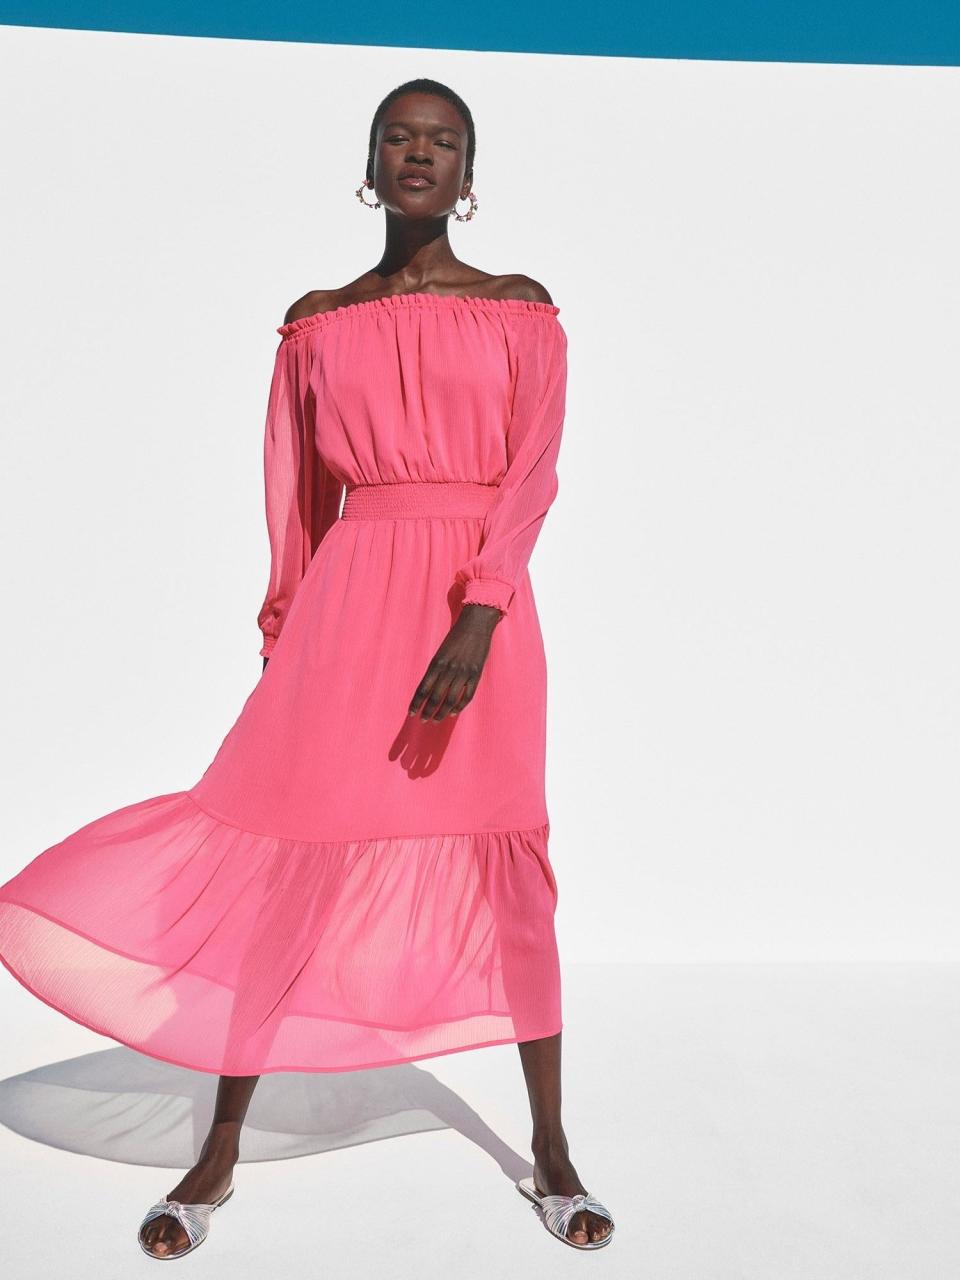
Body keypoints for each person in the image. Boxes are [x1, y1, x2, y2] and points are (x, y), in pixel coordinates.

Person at [0, 77, 615, 1255]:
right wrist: (287, 633)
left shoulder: (524, 310)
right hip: (348, 612)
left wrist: (482, 611)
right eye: (399, 137)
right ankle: (220, 1147)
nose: (418, 153)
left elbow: (532, 477)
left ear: (470, 176)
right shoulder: (315, 321)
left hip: (476, 613)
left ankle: (550, 1147)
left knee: (511, 869)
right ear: (371, 165)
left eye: (442, 141)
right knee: (290, 865)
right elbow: (296, 498)